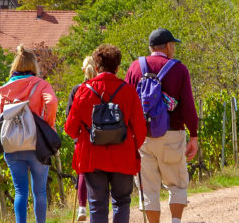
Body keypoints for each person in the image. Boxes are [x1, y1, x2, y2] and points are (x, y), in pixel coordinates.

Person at [64, 44, 147, 223]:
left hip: (92, 156)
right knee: (122, 201)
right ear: (117, 68)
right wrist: (134, 148)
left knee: (96, 204)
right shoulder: (129, 91)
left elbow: (70, 129)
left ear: (96, 67)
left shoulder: (83, 91)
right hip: (123, 155)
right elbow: (140, 129)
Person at [125, 29, 199, 223]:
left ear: (151, 48)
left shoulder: (134, 68)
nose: (173, 48)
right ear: (167, 46)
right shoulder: (179, 69)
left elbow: (126, 104)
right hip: (172, 133)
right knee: (177, 184)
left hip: (143, 137)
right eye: (173, 45)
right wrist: (194, 135)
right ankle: (175, 221)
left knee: (148, 187)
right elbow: (188, 106)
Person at [0, 45, 58, 223]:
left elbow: (2, 113)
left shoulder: (7, 87)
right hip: (37, 143)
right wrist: (47, 123)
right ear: (34, 66)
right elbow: (52, 102)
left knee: (20, 191)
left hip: (13, 144)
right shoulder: (41, 84)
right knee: (39, 191)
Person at [65, 56, 98, 221]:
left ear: (83, 70)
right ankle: (97, 208)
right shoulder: (101, 87)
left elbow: (69, 116)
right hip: (103, 137)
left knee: (83, 172)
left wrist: (76, 136)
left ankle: (82, 207)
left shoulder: (77, 89)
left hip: (83, 138)